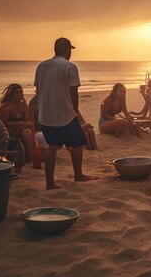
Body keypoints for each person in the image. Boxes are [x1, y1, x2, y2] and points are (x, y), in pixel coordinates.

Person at [34, 37, 97, 190]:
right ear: (68, 50)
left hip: (46, 115)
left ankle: (50, 183)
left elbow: (38, 91)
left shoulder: (41, 66)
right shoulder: (70, 67)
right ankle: (78, 175)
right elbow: (73, 93)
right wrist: (74, 112)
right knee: (78, 143)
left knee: (52, 146)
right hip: (65, 114)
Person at [0, 84, 33, 171]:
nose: (20, 94)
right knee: (26, 132)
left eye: (21, 92)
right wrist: (19, 124)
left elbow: (27, 122)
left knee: (27, 132)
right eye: (17, 93)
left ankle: (31, 157)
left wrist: (22, 125)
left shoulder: (24, 105)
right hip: (8, 130)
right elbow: (2, 124)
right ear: (11, 95)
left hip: (22, 129)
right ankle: (32, 158)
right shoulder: (5, 107)